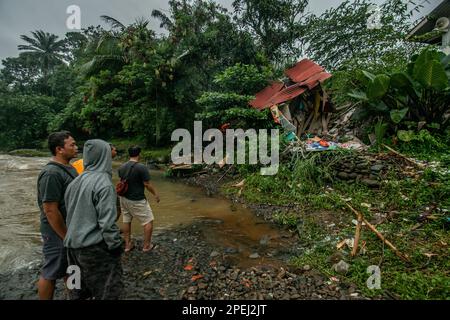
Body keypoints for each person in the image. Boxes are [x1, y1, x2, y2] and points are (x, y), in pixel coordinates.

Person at [64, 139, 123, 300]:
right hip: (94, 249)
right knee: (108, 290)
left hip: (71, 249)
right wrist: (116, 245)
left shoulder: (74, 182)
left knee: (76, 289)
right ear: (105, 156)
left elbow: (70, 214)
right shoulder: (104, 184)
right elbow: (107, 223)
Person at [36, 131, 78, 300]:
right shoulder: (51, 174)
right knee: (52, 271)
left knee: (72, 266)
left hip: (70, 228)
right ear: (59, 149)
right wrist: (65, 236)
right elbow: (50, 210)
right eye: (72, 145)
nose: (76, 147)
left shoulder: (70, 167)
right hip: (56, 231)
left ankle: (75, 296)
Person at [118, 146, 160, 252]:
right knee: (148, 221)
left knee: (126, 220)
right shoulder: (141, 167)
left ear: (129, 154)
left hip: (123, 198)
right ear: (139, 154)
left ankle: (127, 245)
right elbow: (146, 184)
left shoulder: (121, 167)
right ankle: (146, 246)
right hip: (137, 199)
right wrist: (155, 194)